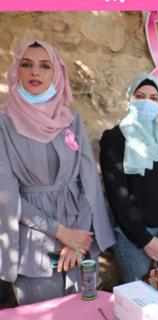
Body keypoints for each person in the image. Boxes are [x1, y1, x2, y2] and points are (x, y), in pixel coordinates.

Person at [0, 40, 115, 305]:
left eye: (44, 65)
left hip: (78, 238)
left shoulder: (71, 119)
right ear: (16, 70)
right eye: (26, 64)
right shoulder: (4, 123)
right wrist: (60, 232)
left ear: (57, 73)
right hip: (34, 243)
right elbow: (6, 194)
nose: (35, 72)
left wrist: (79, 237)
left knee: (82, 309)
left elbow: (88, 181)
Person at [99, 74, 158, 283]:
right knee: (142, 303)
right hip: (135, 239)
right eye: (139, 96)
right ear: (130, 99)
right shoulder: (115, 138)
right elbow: (117, 194)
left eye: (153, 98)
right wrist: (143, 238)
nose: (146, 102)